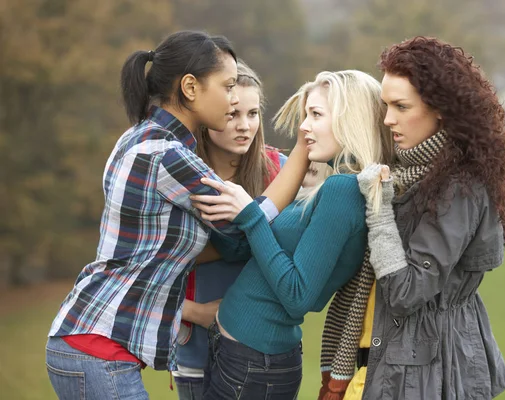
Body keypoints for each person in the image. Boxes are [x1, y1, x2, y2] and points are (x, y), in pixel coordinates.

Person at [45, 31, 309, 400]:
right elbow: (246, 224)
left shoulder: (138, 137)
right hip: (97, 350)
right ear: (190, 87)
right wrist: (302, 153)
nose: (234, 99)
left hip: (88, 342)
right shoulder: (167, 155)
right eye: (228, 86)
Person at [320, 36, 505, 400]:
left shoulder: (460, 186)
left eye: (401, 106)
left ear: (441, 108)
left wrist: (378, 209)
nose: (388, 119)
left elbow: (405, 291)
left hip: (428, 376)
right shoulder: (404, 169)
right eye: (385, 105)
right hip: (383, 365)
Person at [191, 70, 395, 399]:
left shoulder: (343, 190)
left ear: (349, 118)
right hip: (246, 356)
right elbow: (265, 252)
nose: (304, 127)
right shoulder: (337, 184)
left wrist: (250, 215)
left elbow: (300, 295)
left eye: (315, 115)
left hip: (254, 364)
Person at [172, 60, 288, 400]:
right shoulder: (181, 174)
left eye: (253, 114)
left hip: (266, 348)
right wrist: (195, 312)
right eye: (233, 114)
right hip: (197, 345)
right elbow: (150, 265)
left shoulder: (279, 171)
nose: (244, 126)